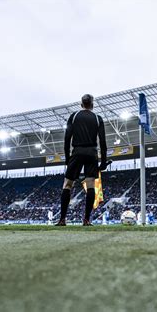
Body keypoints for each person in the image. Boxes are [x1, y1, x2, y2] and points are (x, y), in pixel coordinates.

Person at [55, 94, 108, 226]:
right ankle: (86, 220)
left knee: (67, 184)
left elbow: (67, 138)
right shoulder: (97, 118)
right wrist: (103, 162)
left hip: (77, 152)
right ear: (92, 104)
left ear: (81, 104)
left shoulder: (74, 116)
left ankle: (62, 219)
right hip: (92, 153)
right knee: (90, 185)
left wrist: (68, 158)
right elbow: (102, 141)